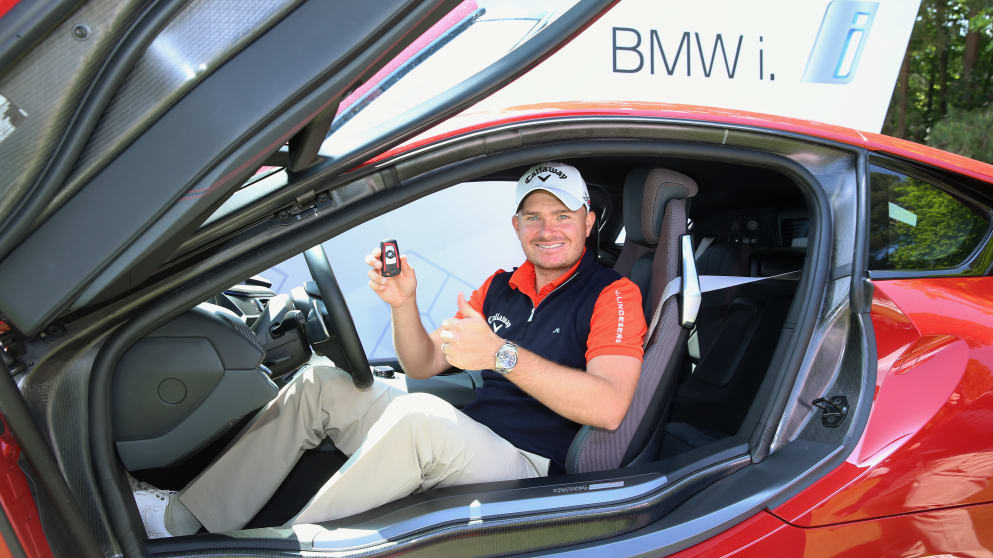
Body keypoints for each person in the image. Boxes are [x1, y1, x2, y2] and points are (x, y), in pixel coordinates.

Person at [133, 161, 648, 538]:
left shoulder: (611, 294)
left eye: (562, 215)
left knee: (419, 420)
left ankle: (275, 548)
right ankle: (183, 522)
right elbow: (424, 364)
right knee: (321, 384)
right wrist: (404, 304)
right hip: (469, 436)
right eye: (533, 217)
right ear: (516, 227)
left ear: (587, 221)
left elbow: (609, 406)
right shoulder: (498, 287)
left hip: (531, 466)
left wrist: (500, 355)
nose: (547, 229)